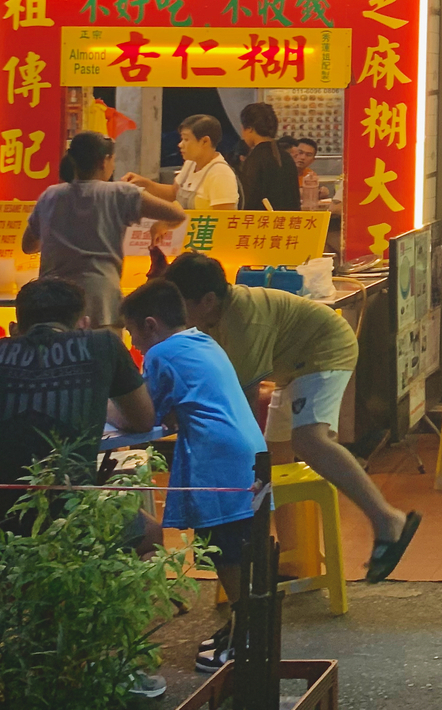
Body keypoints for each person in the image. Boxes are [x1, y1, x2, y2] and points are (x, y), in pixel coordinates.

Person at [165, 252, 421, 581]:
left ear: (208, 300)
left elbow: (242, 404)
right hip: (291, 368)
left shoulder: (242, 319)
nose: (176, 314)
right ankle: (290, 557)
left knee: (308, 440)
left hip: (323, 351)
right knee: (273, 458)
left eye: (180, 304)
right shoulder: (213, 318)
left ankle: (388, 520)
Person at [0, 277, 156, 547]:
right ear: (83, 325)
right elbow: (142, 421)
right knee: (151, 535)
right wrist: (97, 403)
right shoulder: (104, 346)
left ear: (14, 327)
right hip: (72, 521)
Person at [121, 280, 266, 674]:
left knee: (225, 548)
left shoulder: (161, 353)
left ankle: (246, 636)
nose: (133, 342)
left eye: (132, 332)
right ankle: (242, 625)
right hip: (250, 450)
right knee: (238, 543)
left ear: (150, 325)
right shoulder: (201, 341)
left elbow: (145, 414)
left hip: (219, 459)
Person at [22, 130, 188, 330]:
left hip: (53, 301)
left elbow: (28, 246)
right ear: (104, 161)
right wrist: (160, 225)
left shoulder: (50, 196)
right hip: (101, 299)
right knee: (102, 356)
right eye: (113, 160)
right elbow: (177, 214)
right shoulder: (120, 193)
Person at [128, 113, 241, 212]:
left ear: (205, 141)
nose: (180, 144)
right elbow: (173, 193)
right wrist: (144, 184)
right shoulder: (191, 163)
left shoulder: (220, 174)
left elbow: (225, 220)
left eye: (186, 139)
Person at [237, 103, 300, 212]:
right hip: (289, 224)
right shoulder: (285, 156)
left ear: (250, 129)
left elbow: (249, 201)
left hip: (263, 225)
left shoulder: (255, 158)